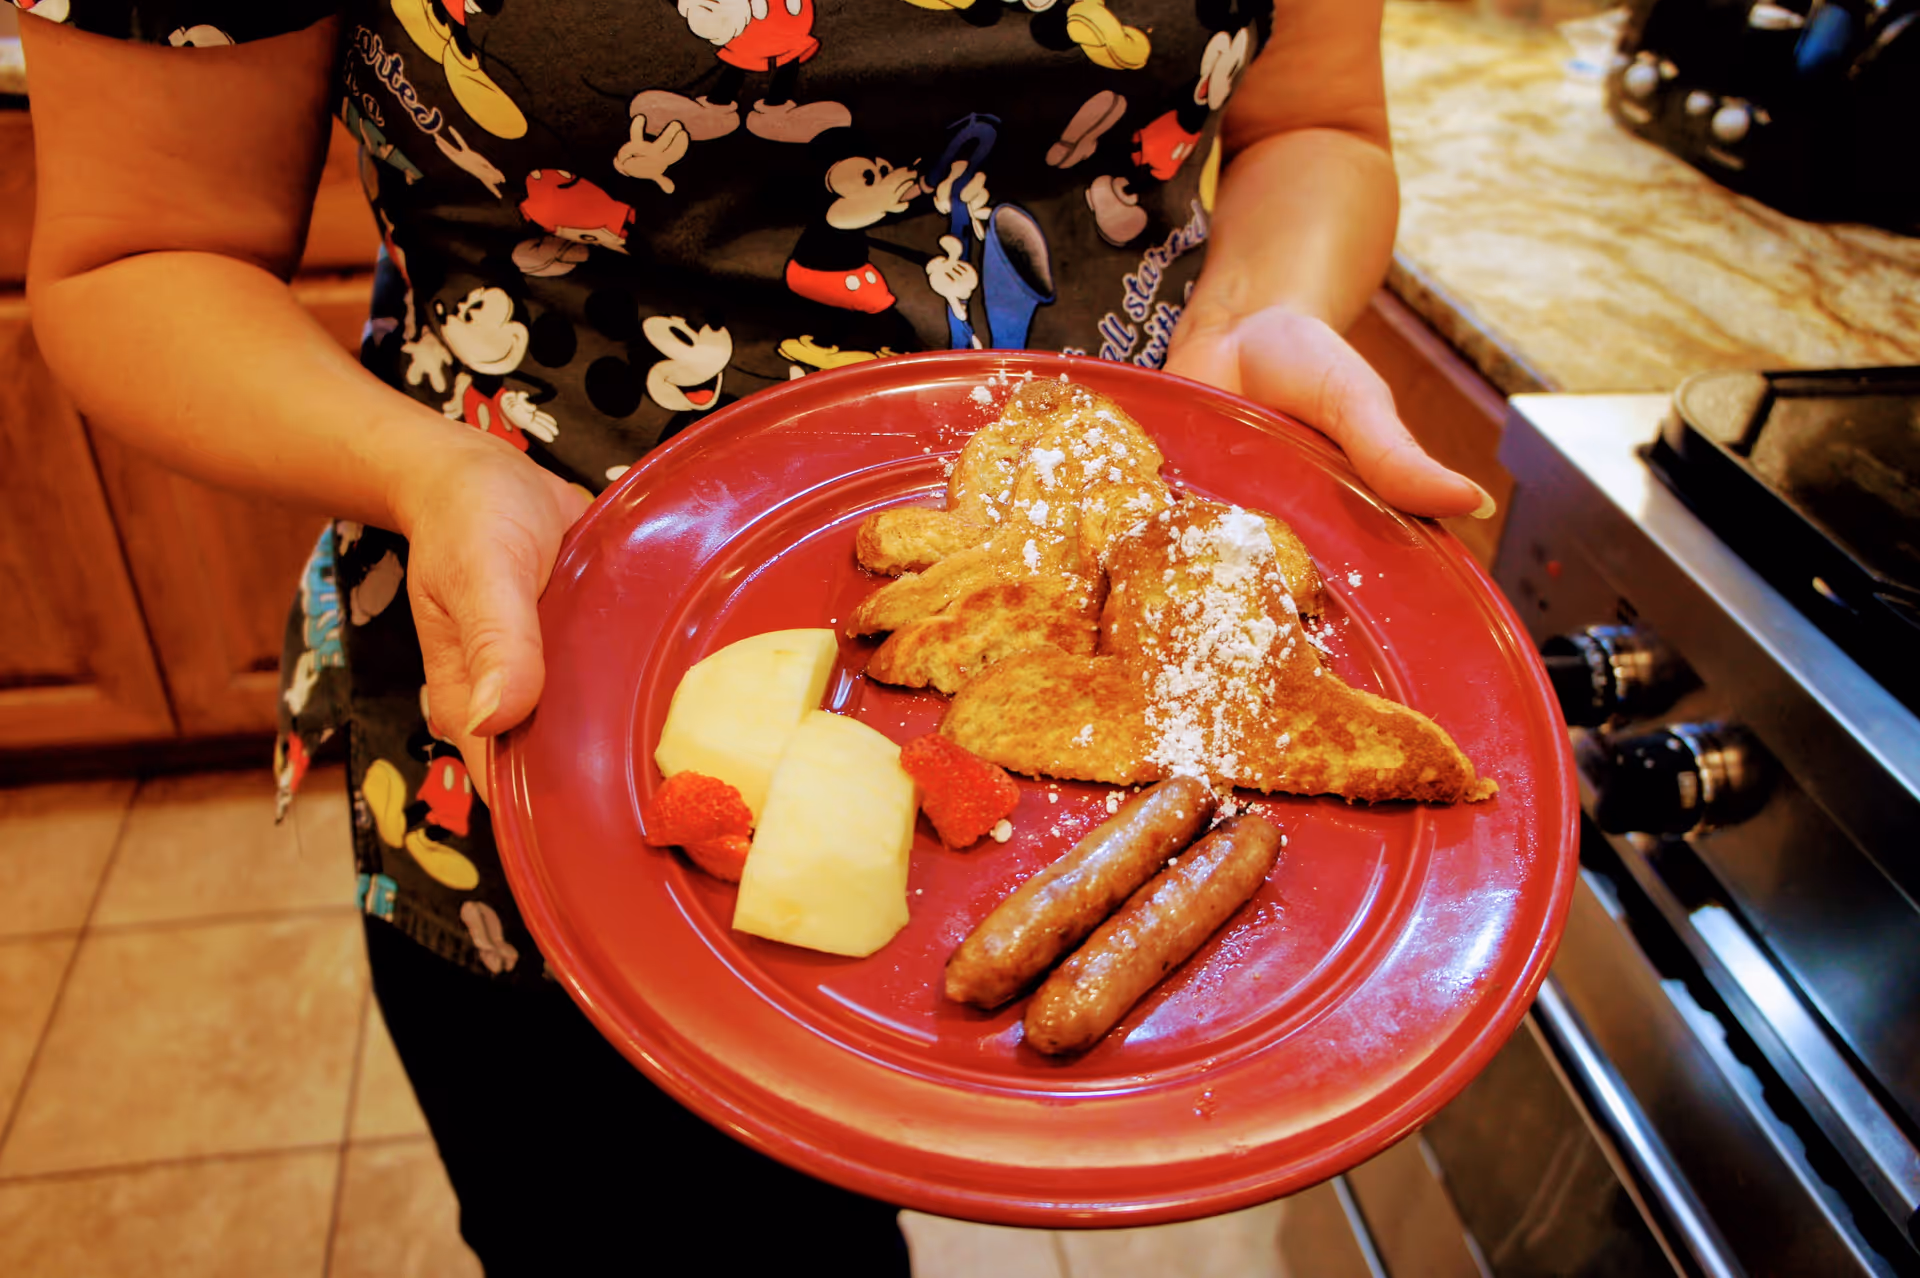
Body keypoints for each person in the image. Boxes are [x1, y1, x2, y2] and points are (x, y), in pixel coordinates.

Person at [15, 1, 1493, 1272]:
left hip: (1097, 692)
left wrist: (1253, 326)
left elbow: (1316, 126)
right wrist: (438, 472)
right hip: (555, 719)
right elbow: (138, 253)